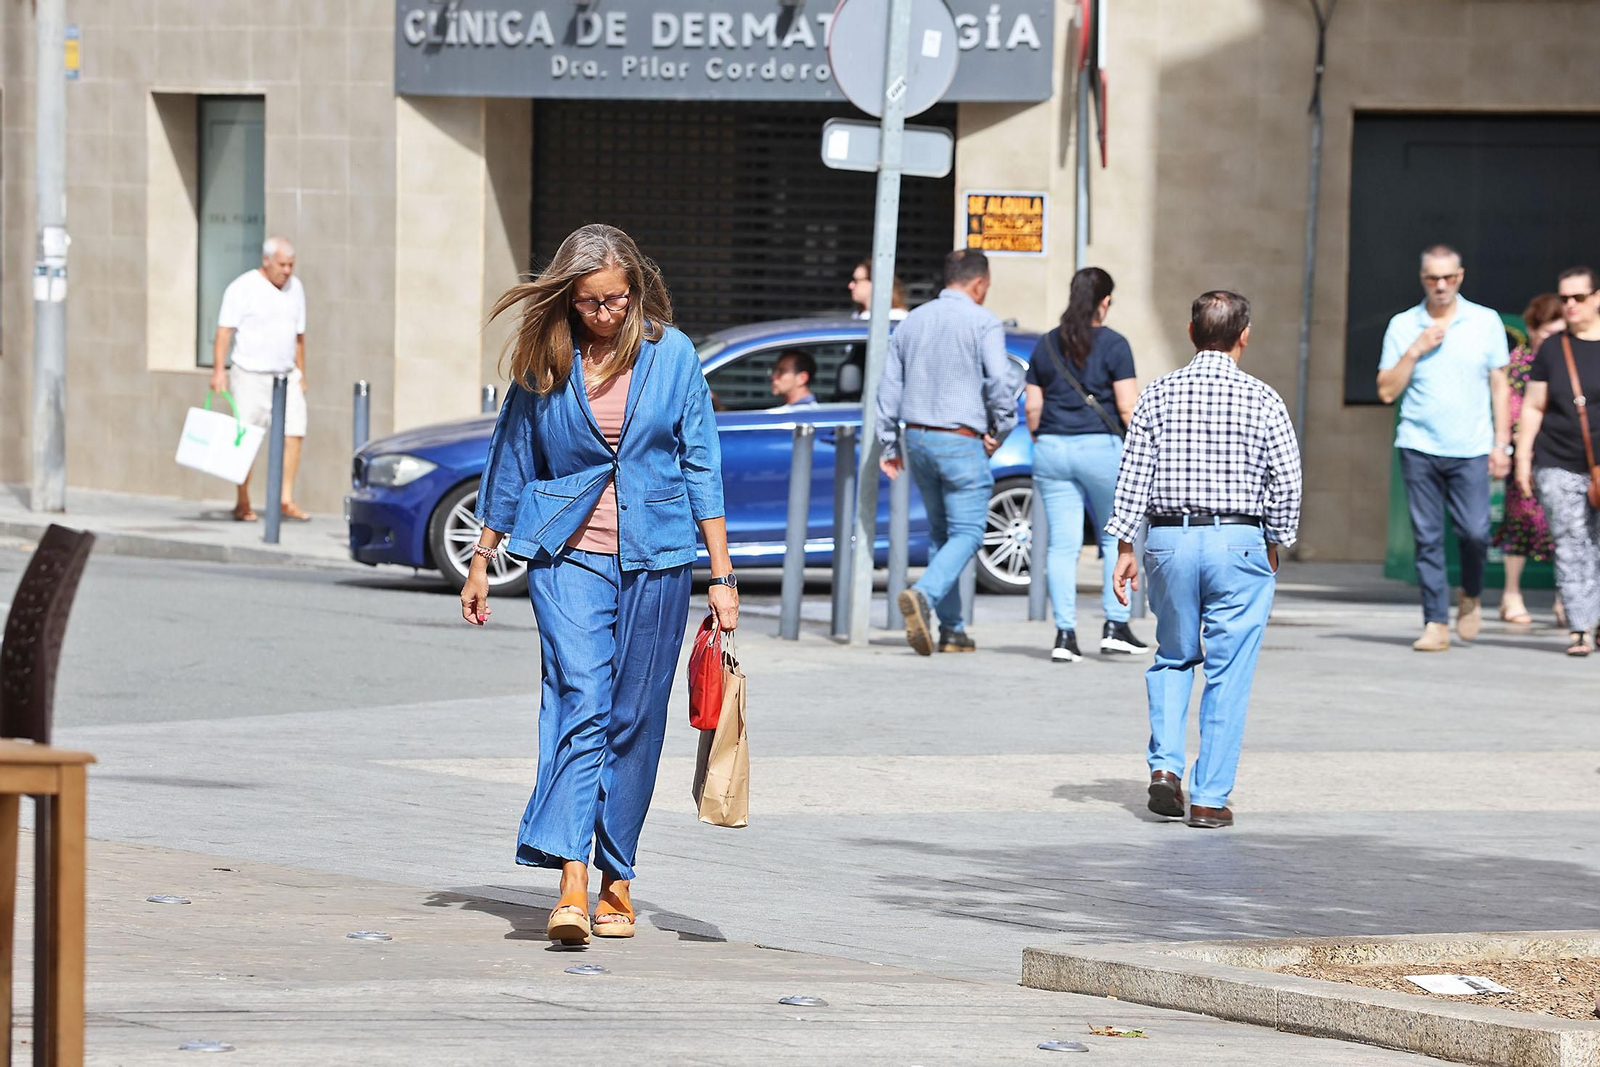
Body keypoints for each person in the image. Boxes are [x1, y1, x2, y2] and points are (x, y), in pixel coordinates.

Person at [461, 223, 740, 944]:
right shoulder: (547, 353)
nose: (605, 315)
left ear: (635, 290)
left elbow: (701, 461)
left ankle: (619, 873)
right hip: (567, 552)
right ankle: (573, 882)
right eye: (590, 303)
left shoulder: (671, 355)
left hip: (660, 553)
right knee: (579, 701)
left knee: (635, 717)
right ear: (569, 297)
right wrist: (483, 556)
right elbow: (514, 454)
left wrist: (722, 575)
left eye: (616, 300)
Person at [1108, 291, 1301, 830]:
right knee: (1228, 670)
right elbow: (1286, 478)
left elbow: (1133, 475)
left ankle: (1166, 769)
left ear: (1191, 333)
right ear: (1245, 335)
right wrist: (1276, 538)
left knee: (1172, 656)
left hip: (1170, 540)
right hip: (1238, 539)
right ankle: (1210, 798)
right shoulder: (1263, 398)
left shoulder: (1157, 395)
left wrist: (1125, 546)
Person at [876, 249, 1016, 656]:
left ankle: (952, 630)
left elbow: (889, 387)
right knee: (970, 532)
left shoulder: (912, 321)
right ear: (978, 283)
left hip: (917, 437)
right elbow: (998, 382)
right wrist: (1001, 427)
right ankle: (924, 595)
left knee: (942, 533)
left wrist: (888, 442)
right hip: (960, 438)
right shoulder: (983, 321)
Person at [1376, 245, 1511, 652]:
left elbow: (1500, 385)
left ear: (1460, 277)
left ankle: (1470, 593)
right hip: (1418, 444)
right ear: (1422, 280)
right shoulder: (1403, 325)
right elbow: (1385, 391)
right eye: (1433, 278)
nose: (1440, 285)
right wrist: (1415, 349)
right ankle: (1435, 621)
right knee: (1427, 537)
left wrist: (1501, 444)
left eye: (1448, 278)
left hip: (1470, 446)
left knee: (1475, 532)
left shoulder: (1484, 321)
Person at [1025, 267, 1149, 663]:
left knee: (1063, 545)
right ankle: (1116, 625)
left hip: (1051, 449)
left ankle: (1065, 636)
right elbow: (1128, 406)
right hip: (1100, 449)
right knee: (1116, 537)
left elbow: (1032, 409)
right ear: (1105, 302)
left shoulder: (1045, 345)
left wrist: (1045, 439)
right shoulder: (1115, 345)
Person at [1514, 266, 1600, 657]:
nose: (1570, 305)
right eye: (1564, 298)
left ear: (1596, 298)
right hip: (1559, 461)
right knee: (1571, 544)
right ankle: (1580, 626)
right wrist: (1522, 459)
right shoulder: (1552, 348)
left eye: (1578, 298)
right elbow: (1533, 406)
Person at [209, 236, 309, 522]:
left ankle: (285, 498)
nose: (287, 270)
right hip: (250, 375)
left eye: (291, 265)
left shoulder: (296, 289)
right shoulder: (242, 288)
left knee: (295, 431)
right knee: (246, 439)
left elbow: (299, 336)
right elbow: (224, 333)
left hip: (286, 375)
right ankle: (242, 499)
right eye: (282, 264)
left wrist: (302, 373)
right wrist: (219, 371)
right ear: (266, 261)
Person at [1494, 294, 1565, 625]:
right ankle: (1511, 594)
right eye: (1548, 334)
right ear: (1534, 330)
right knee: (1521, 524)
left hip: (1563, 454)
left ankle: (1566, 598)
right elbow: (1511, 409)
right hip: (1526, 454)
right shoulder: (1520, 363)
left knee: (1568, 529)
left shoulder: (1569, 360)